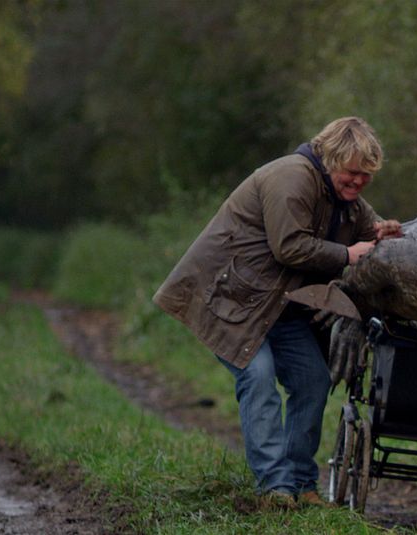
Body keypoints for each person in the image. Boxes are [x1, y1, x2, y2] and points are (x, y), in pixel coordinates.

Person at [153, 117, 402, 508]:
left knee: (314, 381)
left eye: (366, 176)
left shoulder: (343, 196)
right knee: (258, 378)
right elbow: (290, 247)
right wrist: (347, 255)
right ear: (330, 158)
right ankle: (275, 487)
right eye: (352, 173)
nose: (358, 182)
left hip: (281, 308)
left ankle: (303, 485)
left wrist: (382, 232)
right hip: (230, 300)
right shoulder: (292, 177)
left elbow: (367, 227)